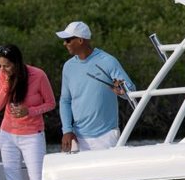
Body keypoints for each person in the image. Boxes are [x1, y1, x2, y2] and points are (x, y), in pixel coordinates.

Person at [0, 43, 56, 180]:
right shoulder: (3, 75)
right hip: (8, 134)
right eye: (1, 66)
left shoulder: (38, 75)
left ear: (17, 63)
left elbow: (51, 103)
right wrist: (6, 84)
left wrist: (30, 110)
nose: (3, 69)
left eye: (7, 66)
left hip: (32, 135)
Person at [56, 20, 135, 152]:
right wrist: (67, 130)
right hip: (77, 136)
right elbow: (65, 100)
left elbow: (131, 91)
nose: (65, 44)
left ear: (80, 40)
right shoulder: (68, 67)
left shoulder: (108, 61)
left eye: (68, 40)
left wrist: (121, 91)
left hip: (106, 136)